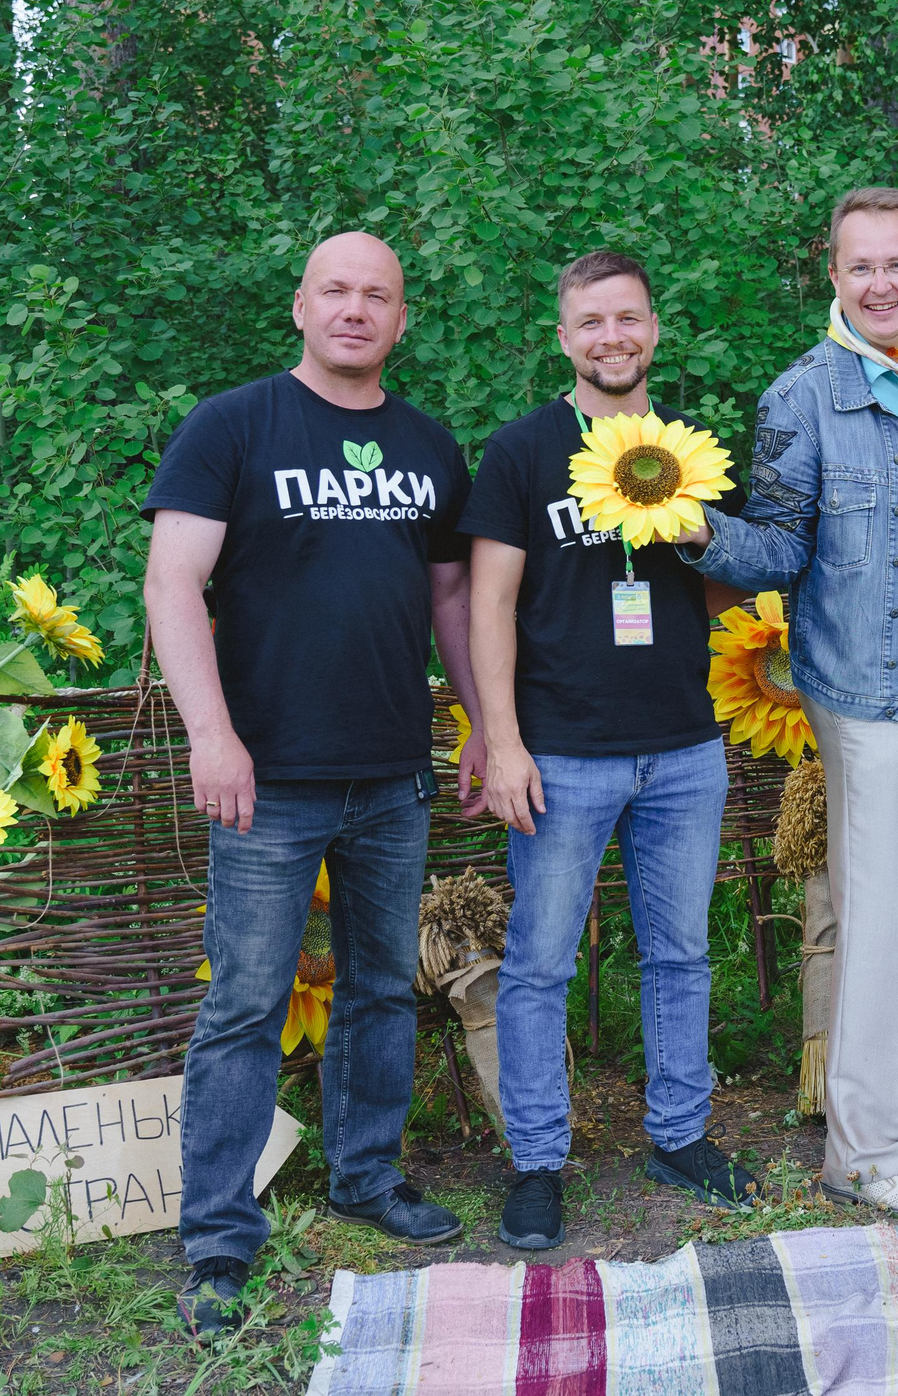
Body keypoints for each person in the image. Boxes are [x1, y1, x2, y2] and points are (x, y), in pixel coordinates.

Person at [144, 231, 485, 1342]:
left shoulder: (430, 447)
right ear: (299, 306)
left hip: (392, 772)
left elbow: (449, 603)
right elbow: (173, 582)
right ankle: (217, 1238)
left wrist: (483, 721)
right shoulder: (231, 427)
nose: (354, 309)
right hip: (267, 780)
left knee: (384, 989)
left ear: (401, 318)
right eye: (334, 291)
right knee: (244, 1004)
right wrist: (212, 734)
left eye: (375, 295)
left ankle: (367, 1180)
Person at [680, 186, 898, 1221]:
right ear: (832, 278)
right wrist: (699, 530)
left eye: (897, 264)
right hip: (867, 677)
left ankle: (896, 1087)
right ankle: (861, 1152)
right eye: (858, 267)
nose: (880, 283)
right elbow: (781, 547)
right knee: (877, 910)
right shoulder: (805, 396)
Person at [461, 249, 760, 1252]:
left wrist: (695, 532)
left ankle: (679, 1134)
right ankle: (536, 1160)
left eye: (627, 318)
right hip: (564, 752)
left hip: (683, 747)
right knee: (541, 966)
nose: (611, 338)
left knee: (679, 955)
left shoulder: (695, 451)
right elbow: (489, 604)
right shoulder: (519, 454)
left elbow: (727, 584)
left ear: (654, 329)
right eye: (591, 323)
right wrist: (500, 743)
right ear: (564, 338)